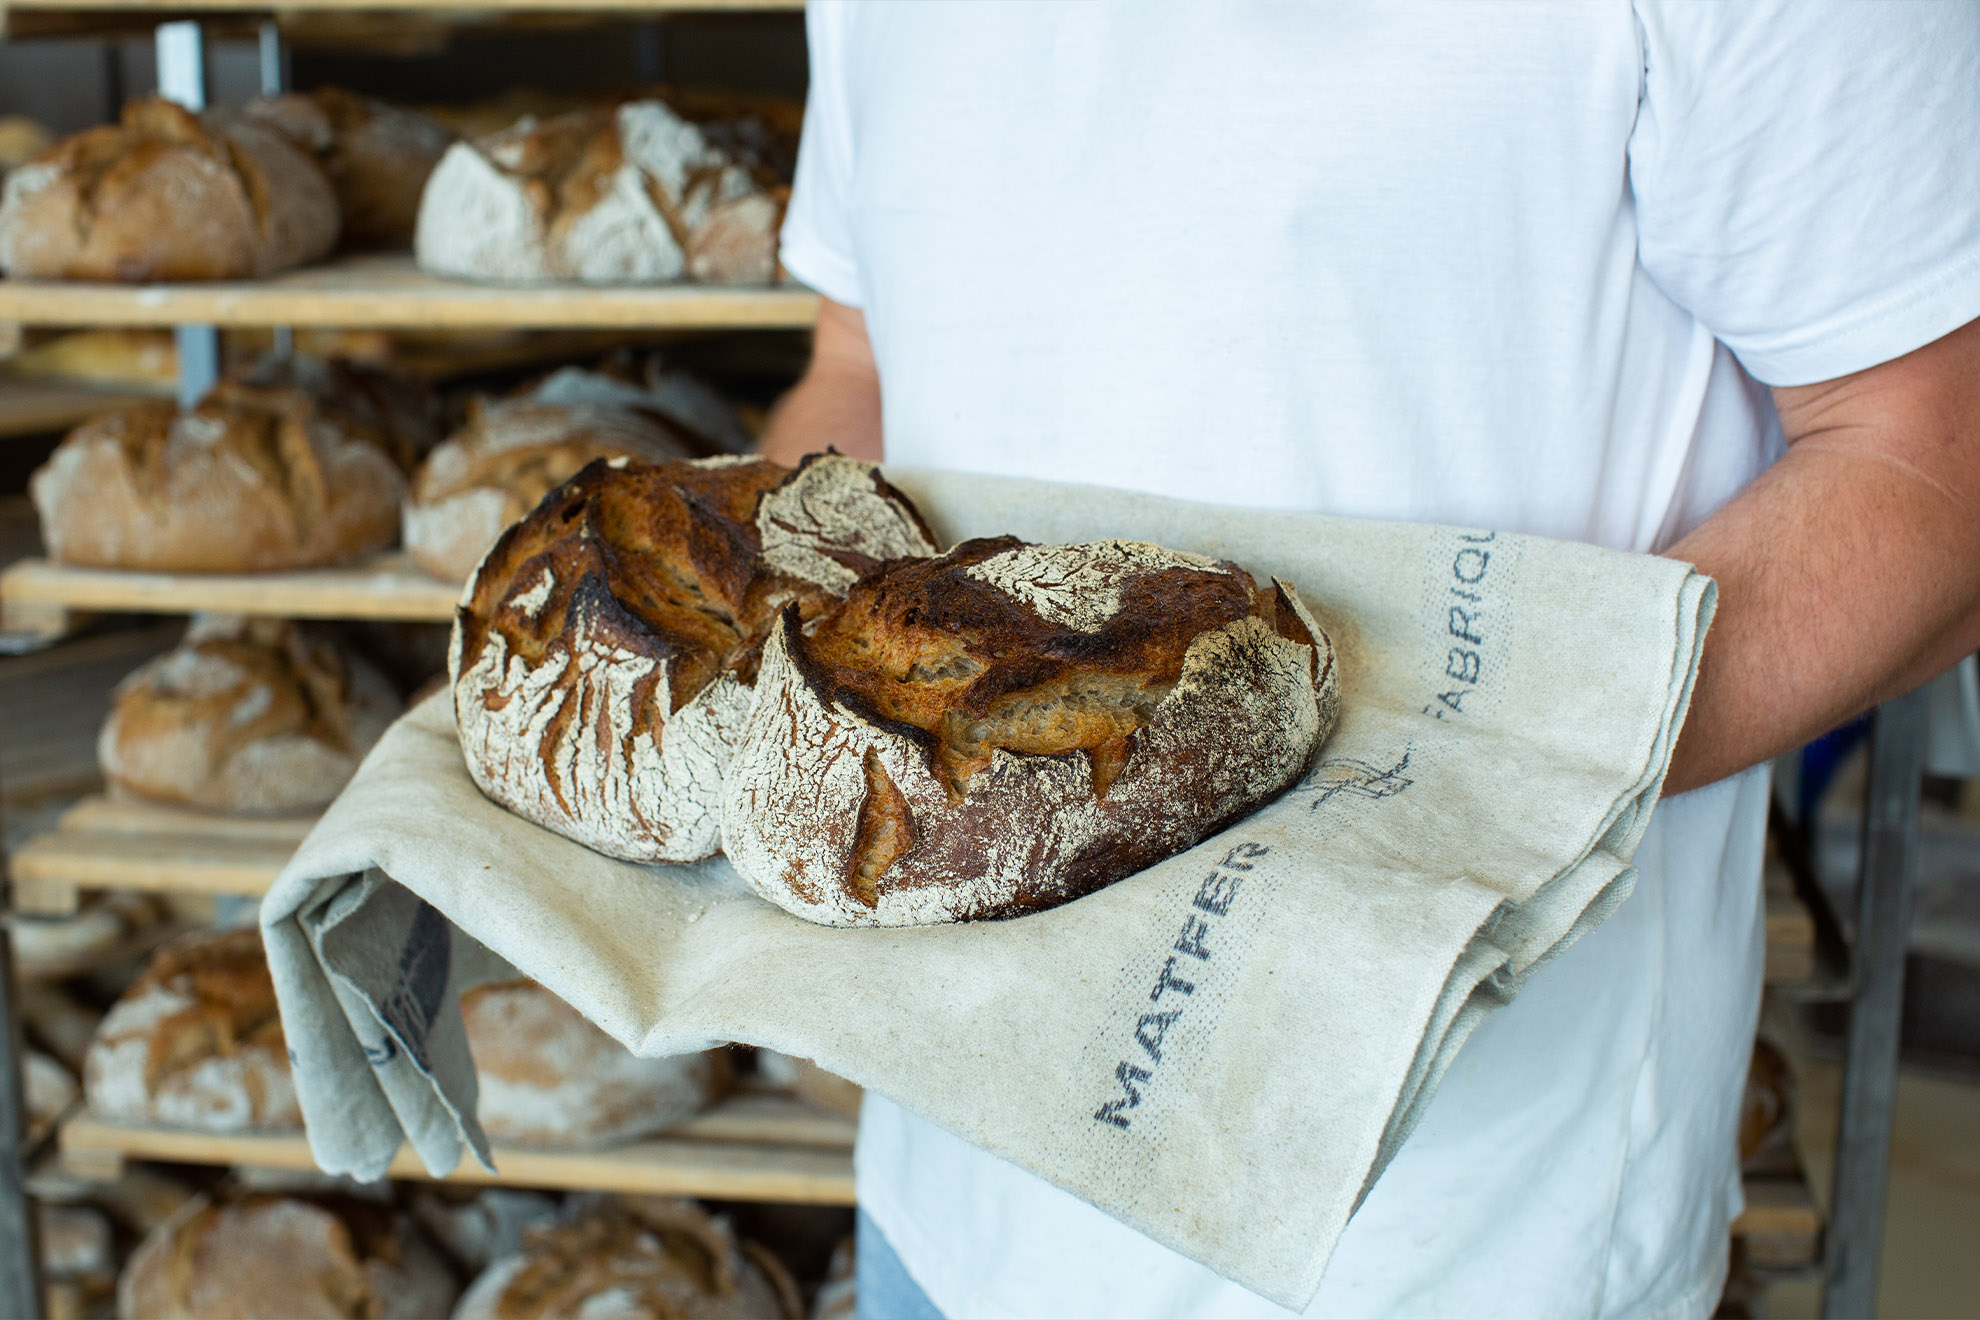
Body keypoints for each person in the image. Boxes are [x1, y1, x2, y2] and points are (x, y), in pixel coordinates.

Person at [755, 4, 1980, 1317]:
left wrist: (1365, 811)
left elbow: (1933, 467)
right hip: (950, 1209)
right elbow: (863, 364)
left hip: (1457, 1242)